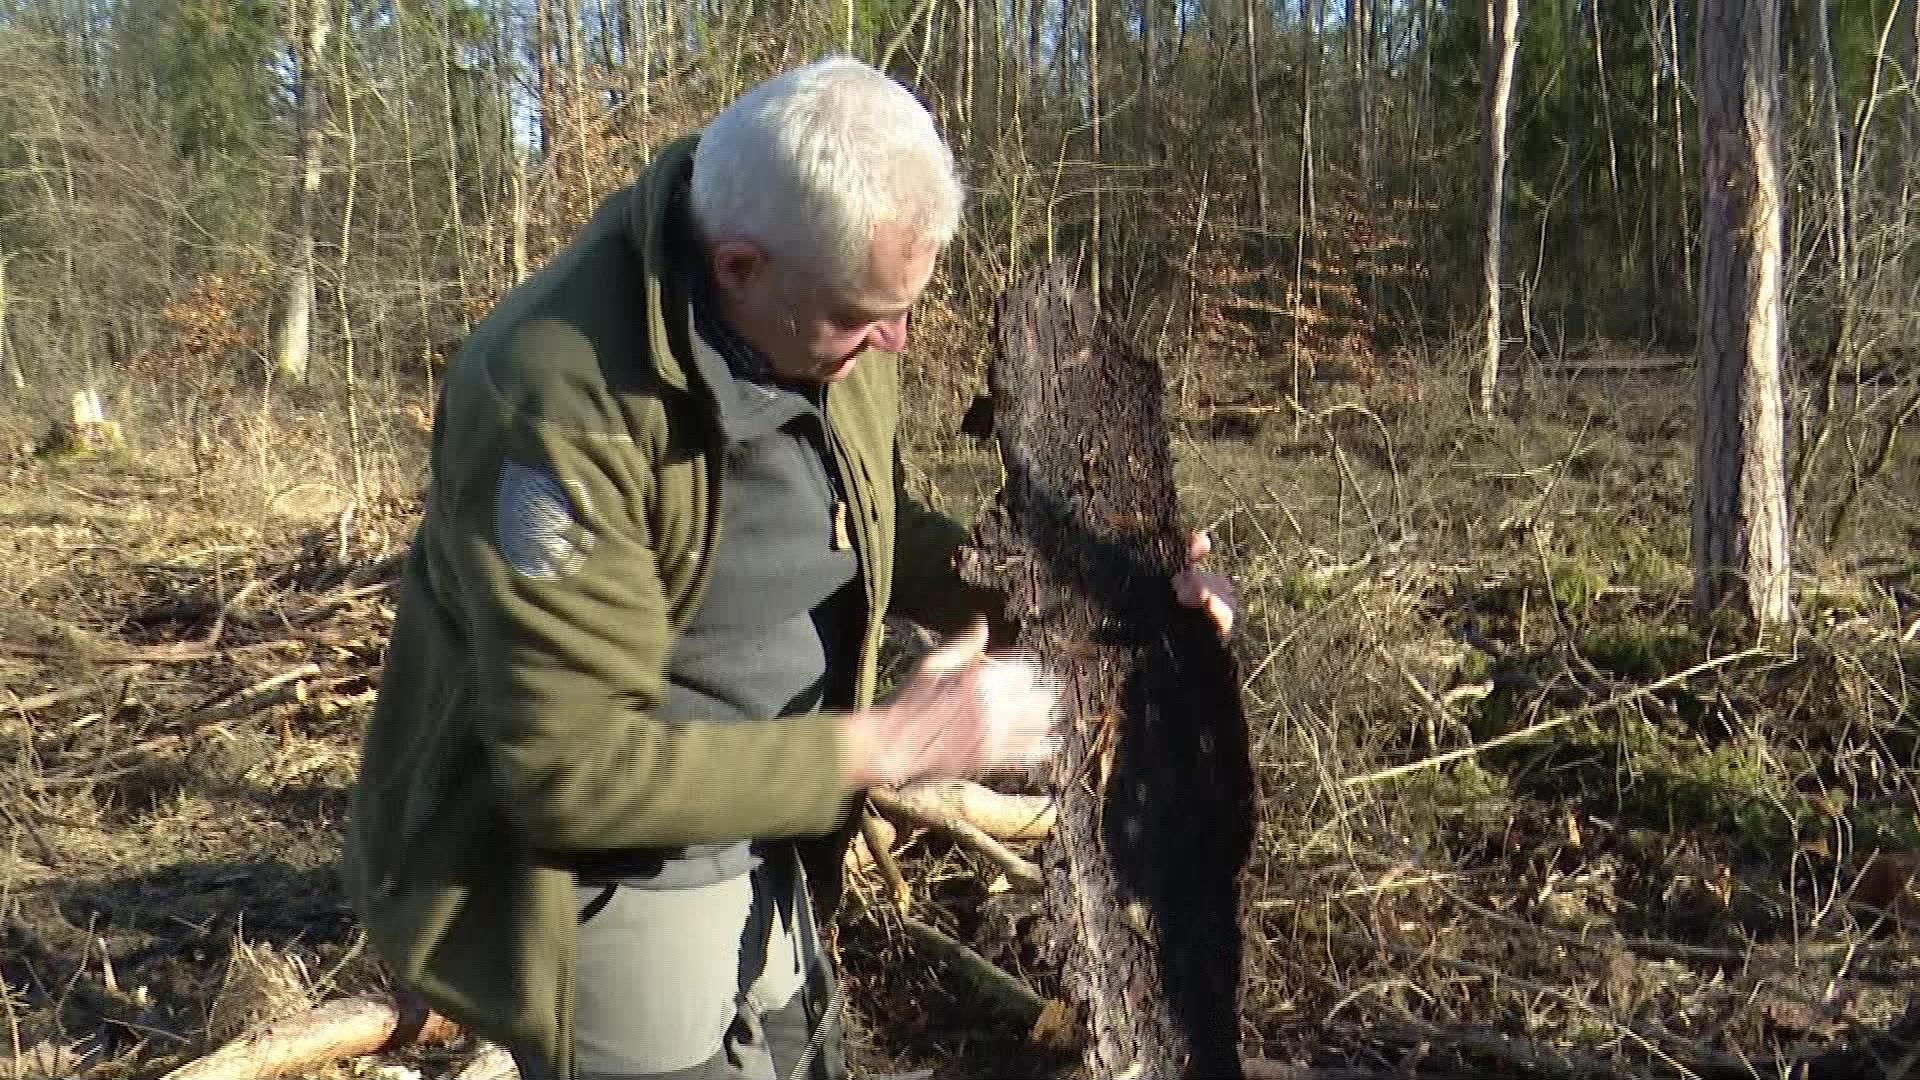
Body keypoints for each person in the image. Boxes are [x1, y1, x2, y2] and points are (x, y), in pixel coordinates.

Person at [341, 56, 1236, 1080]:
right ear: (739, 266)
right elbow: (570, 775)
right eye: (863, 315)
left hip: (790, 826)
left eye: (904, 308)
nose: (894, 341)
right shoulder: (555, 399)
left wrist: (1097, 598)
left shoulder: (822, 306)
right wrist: (895, 745)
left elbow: (869, 519)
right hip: (622, 877)